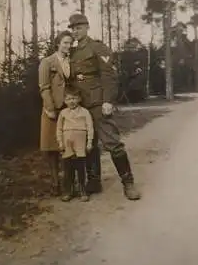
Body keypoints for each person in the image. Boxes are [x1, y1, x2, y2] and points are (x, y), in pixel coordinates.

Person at [68, 13, 141, 200]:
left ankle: (128, 183)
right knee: (89, 144)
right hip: (82, 106)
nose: (75, 32)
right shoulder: (74, 52)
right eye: (73, 28)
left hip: (99, 104)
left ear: (87, 27)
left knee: (112, 143)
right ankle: (94, 181)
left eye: (79, 28)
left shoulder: (98, 47)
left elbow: (109, 75)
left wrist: (108, 100)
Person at [38, 30, 73, 195]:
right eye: (65, 42)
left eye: (70, 43)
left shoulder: (71, 62)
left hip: (68, 109)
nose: (68, 46)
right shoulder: (47, 62)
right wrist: (50, 108)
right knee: (52, 148)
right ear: (58, 43)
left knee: (66, 146)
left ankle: (68, 183)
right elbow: (44, 87)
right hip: (51, 109)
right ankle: (55, 183)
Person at [56, 86, 94, 202]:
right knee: (68, 168)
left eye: (74, 98)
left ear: (79, 99)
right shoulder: (63, 113)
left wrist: (89, 142)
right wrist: (60, 143)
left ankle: (82, 190)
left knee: (80, 167)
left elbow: (90, 127)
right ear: (64, 100)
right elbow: (59, 129)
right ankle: (69, 190)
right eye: (68, 99)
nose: (71, 101)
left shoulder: (85, 112)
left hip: (80, 143)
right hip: (67, 143)